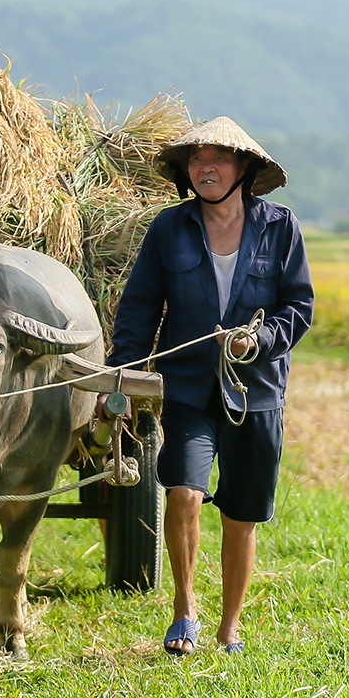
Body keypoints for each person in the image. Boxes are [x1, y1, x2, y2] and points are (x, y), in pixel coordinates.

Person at [104, 117, 314, 655]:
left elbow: (299, 307)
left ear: (245, 168)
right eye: (196, 159)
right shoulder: (169, 229)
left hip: (257, 391)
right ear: (186, 172)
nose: (206, 167)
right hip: (190, 386)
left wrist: (259, 340)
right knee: (183, 492)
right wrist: (122, 374)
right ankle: (184, 610)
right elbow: (140, 307)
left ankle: (230, 628)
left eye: (218, 158)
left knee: (242, 515)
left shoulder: (280, 227)